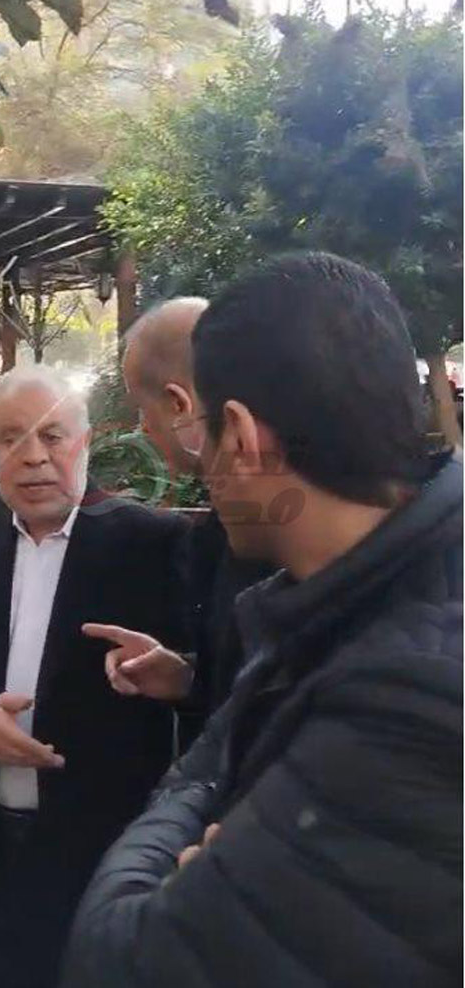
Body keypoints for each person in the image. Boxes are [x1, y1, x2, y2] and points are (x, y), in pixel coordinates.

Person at [62, 253, 462, 988]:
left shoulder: (410, 700)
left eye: (202, 424)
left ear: (241, 436)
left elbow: (120, 956)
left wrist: (201, 804)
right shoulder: (352, 597)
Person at [0, 366, 189, 988]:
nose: (33, 457)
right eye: (11, 439)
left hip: (100, 847)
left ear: (85, 443)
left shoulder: (149, 543)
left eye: (52, 436)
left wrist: (179, 675)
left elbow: (211, 674)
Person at [90, 299, 270, 740]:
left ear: (179, 404)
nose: (143, 428)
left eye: (142, 409)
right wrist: (188, 680)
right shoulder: (220, 531)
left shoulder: (270, 533)